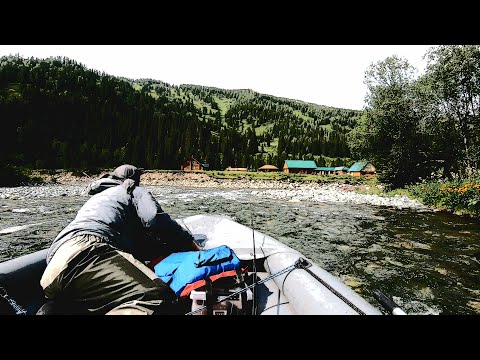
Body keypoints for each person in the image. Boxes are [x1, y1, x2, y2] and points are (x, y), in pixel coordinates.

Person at [37, 164, 196, 315]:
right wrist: (187, 241)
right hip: (88, 252)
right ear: (134, 179)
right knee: (156, 296)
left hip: (53, 267)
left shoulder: (98, 198)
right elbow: (154, 219)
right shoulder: (131, 189)